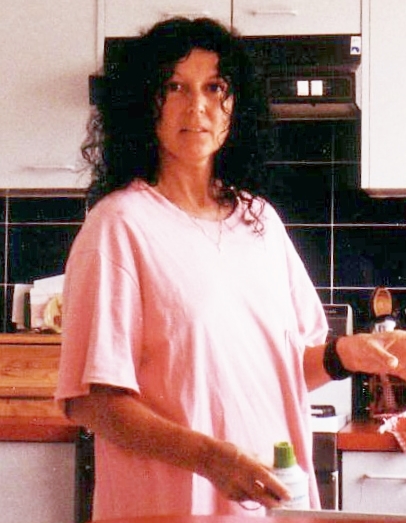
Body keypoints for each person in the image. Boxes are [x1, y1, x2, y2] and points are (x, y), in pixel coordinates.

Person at [55, 17, 406, 521]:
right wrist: (211, 458)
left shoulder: (258, 220)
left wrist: (348, 353)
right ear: (144, 104)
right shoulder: (118, 227)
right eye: (174, 87)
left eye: (214, 87)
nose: (196, 105)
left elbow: (282, 368)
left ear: (234, 105)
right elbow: (93, 402)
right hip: (170, 507)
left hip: (272, 501)